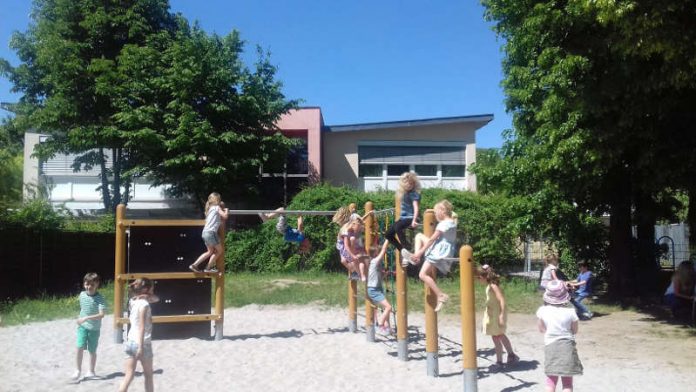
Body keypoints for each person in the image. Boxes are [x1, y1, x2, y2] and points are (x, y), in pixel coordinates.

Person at [403, 199, 458, 312]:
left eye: (436, 212)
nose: (435, 215)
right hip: (445, 248)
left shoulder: (443, 224)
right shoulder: (452, 221)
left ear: (442, 211)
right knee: (419, 236)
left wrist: (420, 252)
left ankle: (440, 295)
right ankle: (415, 259)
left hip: (439, 250)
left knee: (422, 274)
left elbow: (432, 240)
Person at [536, 280, 583, 392]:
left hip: (551, 347)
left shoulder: (542, 311)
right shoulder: (571, 312)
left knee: (551, 381)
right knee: (567, 384)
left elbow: (541, 329)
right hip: (567, 347)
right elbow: (575, 330)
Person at [119, 278, 160, 392]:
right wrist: (141, 347)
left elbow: (156, 298)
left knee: (129, 375)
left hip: (130, 341)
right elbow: (142, 327)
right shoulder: (145, 305)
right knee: (148, 375)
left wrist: (147, 296)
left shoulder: (132, 300)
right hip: (143, 343)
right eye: (152, 288)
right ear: (146, 289)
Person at [477, 264, 520, 371]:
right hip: (492, 313)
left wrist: (501, 315)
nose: (478, 280)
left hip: (497, 314)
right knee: (499, 335)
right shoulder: (489, 286)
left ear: (485, 276)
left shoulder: (493, 286)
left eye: (479, 277)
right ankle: (511, 355)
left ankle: (500, 361)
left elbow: (502, 300)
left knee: (497, 337)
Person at [73, 272, 106, 381]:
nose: (89, 287)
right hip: (82, 327)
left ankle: (91, 371)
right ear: (84, 284)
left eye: (92, 284)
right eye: (87, 284)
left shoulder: (99, 299)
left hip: (94, 329)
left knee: (92, 351)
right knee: (79, 347)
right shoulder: (82, 295)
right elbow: (83, 309)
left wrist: (86, 318)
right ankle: (77, 370)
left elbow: (102, 315)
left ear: (97, 284)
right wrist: (79, 318)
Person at [190, 192, 229, 272]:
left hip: (205, 233)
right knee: (219, 251)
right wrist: (226, 211)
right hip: (211, 233)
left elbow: (216, 219)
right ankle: (208, 268)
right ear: (217, 200)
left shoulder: (209, 210)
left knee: (210, 251)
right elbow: (225, 217)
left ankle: (194, 265)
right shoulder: (216, 207)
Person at [385, 172, 421, 259]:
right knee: (388, 234)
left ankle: (407, 247)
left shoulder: (413, 194)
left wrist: (414, 220)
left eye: (411, 183)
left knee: (397, 227)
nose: (409, 185)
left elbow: (416, 208)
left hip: (411, 218)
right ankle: (402, 250)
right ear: (403, 183)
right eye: (407, 183)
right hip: (403, 218)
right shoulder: (403, 193)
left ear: (414, 184)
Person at [367, 241, 393, 335]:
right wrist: (388, 239)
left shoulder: (375, 264)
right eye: (378, 252)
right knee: (388, 307)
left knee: (385, 307)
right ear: (375, 254)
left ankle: (386, 327)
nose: (380, 254)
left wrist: (385, 274)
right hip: (373, 290)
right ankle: (380, 324)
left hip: (377, 288)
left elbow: (378, 277)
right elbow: (384, 250)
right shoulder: (374, 261)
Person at [336, 216, 368, 281]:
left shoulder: (353, 224)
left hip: (346, 243)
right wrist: (352, 255)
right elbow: (346, 245)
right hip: (343, 245)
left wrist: (368, 214)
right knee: (347, 260)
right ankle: (357, 273)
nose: (357, 230)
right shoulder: (346, 231)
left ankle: (357, 273)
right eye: (357, 228)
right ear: (353, 225)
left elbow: (360, 220)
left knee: (347, 260)